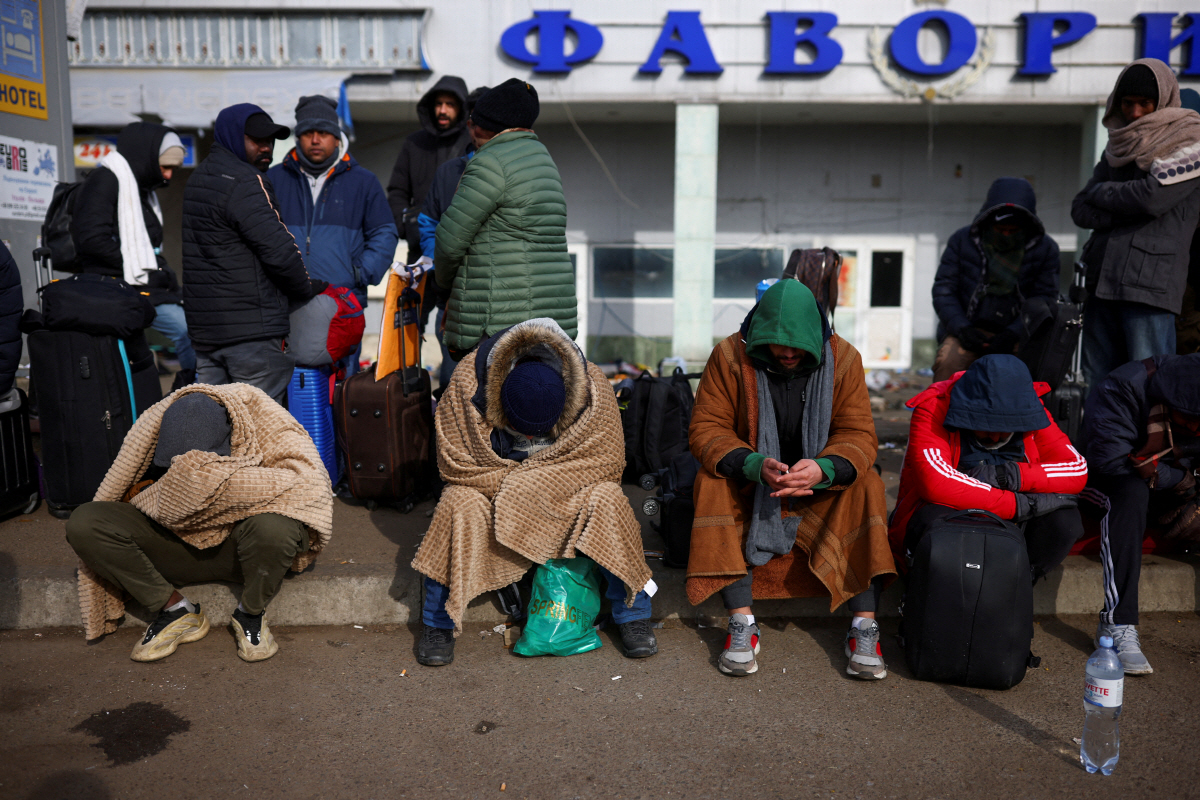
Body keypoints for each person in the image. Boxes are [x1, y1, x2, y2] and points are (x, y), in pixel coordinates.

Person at [411, 318, 656, 666]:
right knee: (455, 502)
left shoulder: (594, 388)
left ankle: (633, 615)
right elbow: (456, 466)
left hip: (563, 490)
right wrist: (527, 487)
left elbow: (606, 463)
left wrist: (533, 486)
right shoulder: (467, 382)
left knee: (608, 499)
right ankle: (438, 622)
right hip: (493, 490)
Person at [686, 280, 896, 679]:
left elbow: (859, 435)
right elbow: (706, 429)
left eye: (797, 346)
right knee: (710, 481)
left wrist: (825, 469)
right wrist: (752, 464)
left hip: (816, 486)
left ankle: (863, 626)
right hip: (753, 482)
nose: (786, 353)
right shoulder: (730, 356)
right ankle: (742, 622)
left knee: (867, 482)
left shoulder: (845, 359)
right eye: (775, 344)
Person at [65, 385, 333, 662]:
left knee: (280, 527)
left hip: (242, 552)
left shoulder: (266, 431)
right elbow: (122, 495)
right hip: (173, 546)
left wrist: (226, 489)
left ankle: (250, 613)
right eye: (175, 466)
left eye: (197, 467)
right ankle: (175, 610)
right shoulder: (152, 437)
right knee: (86, 521)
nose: (185, 472)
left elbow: (308, 488)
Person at [889, 355, 1087, 592]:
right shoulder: (934, 407)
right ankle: (928, 597)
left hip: (1010, 513)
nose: (995, 437)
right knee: (934, 521)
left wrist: (1007, 476)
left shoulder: (1030, 407)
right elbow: (936, 483)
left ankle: (1015, 589)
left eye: (1005, 431)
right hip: (951, 511)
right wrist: (1019, 504)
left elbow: (1075, 469)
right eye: (986, 426)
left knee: (1065, 522)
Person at [181, 103, 325, 405]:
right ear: (233, 137)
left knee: (213, 429)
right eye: (256, 140)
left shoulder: (197, 180)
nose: (266, 148)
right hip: (252, 336)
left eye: (270, 141)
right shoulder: (245, 180)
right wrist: (303, 288)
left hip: (208, 336)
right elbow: (280, 249)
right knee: (260, 430)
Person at [1071, 58, 1200, 392]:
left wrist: (1104, 193)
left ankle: (1148, 448)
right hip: (1102, 283)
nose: (1136, 113)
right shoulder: (1118, 144)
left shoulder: (1190, 141)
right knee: (1100, 386)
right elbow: (1080, 210)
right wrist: (1124, 205)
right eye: (1128, 103)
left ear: (1163, 100)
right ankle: (1102, 447)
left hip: (1150, 287)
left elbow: (1151, 200)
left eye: (1145, 103)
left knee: (1150, 386)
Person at [435, 78, 578, 361]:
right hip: (548, 321)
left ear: (484, 125)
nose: (470, 129)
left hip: (499, 321)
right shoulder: (542, 159)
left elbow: (449, 241)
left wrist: (444, 285)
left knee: (484, 402)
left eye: (473, 121)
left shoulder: (490, 163)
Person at [1080, 353, 1200, 675]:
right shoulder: (1122, 387)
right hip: (1109, 481)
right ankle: (1117, 625)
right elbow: (1108, 461)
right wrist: (1183, 480)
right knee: (1131, 493)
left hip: (1167, 480)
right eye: (1189, 420)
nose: (1195, 429)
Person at [267, 95, 398, 373]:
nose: (316, 140)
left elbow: (384, 233)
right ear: (297, 138)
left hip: (341, 309)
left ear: (337, 138)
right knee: (285, 394)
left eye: (324, 133)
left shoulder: (363, 182)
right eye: (308, 133)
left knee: (341, 395)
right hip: (284, 306)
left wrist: (360, 273)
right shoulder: (274, 179)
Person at [70, 122, 196, 380]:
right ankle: (196, 393)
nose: (169, 176)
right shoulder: (105, 181)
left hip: (145, 286)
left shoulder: (140, 189)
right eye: (165, 167)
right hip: (120, 287)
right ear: (147, 157)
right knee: (187, 330)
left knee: (192, 326)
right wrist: (138, 271)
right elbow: (92, 240)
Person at [931, 177, 1061, 382]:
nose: (1007, 235)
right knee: (948, 363)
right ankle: (942, 414)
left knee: (1028, 373)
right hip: (967, 330)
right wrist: (962, 329)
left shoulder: (1045, 249)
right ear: (988, 223)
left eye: (1013, 231)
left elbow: (1045, 299)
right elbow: (944, 290)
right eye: (1000, 230)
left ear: (1026, 227)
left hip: (1019, 334)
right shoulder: (962, 241)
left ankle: (1020, 414)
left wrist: (1013, 334)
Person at [416, 85, 488, 389]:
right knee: (452, 386)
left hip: (504, 306)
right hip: (454, 302)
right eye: (479, 122)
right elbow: (427, 223)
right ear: (469, 125)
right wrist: (440, 266)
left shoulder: (518, 174)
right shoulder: (449, 173)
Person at [387, 75, 471, 258]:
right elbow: (397, 191)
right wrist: (407, 227)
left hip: (464, 250)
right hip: (420, 249)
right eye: (438, 104)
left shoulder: (473, 143)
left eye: (450, 104)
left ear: (462, 108)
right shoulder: (414, 143)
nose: (442, 110)